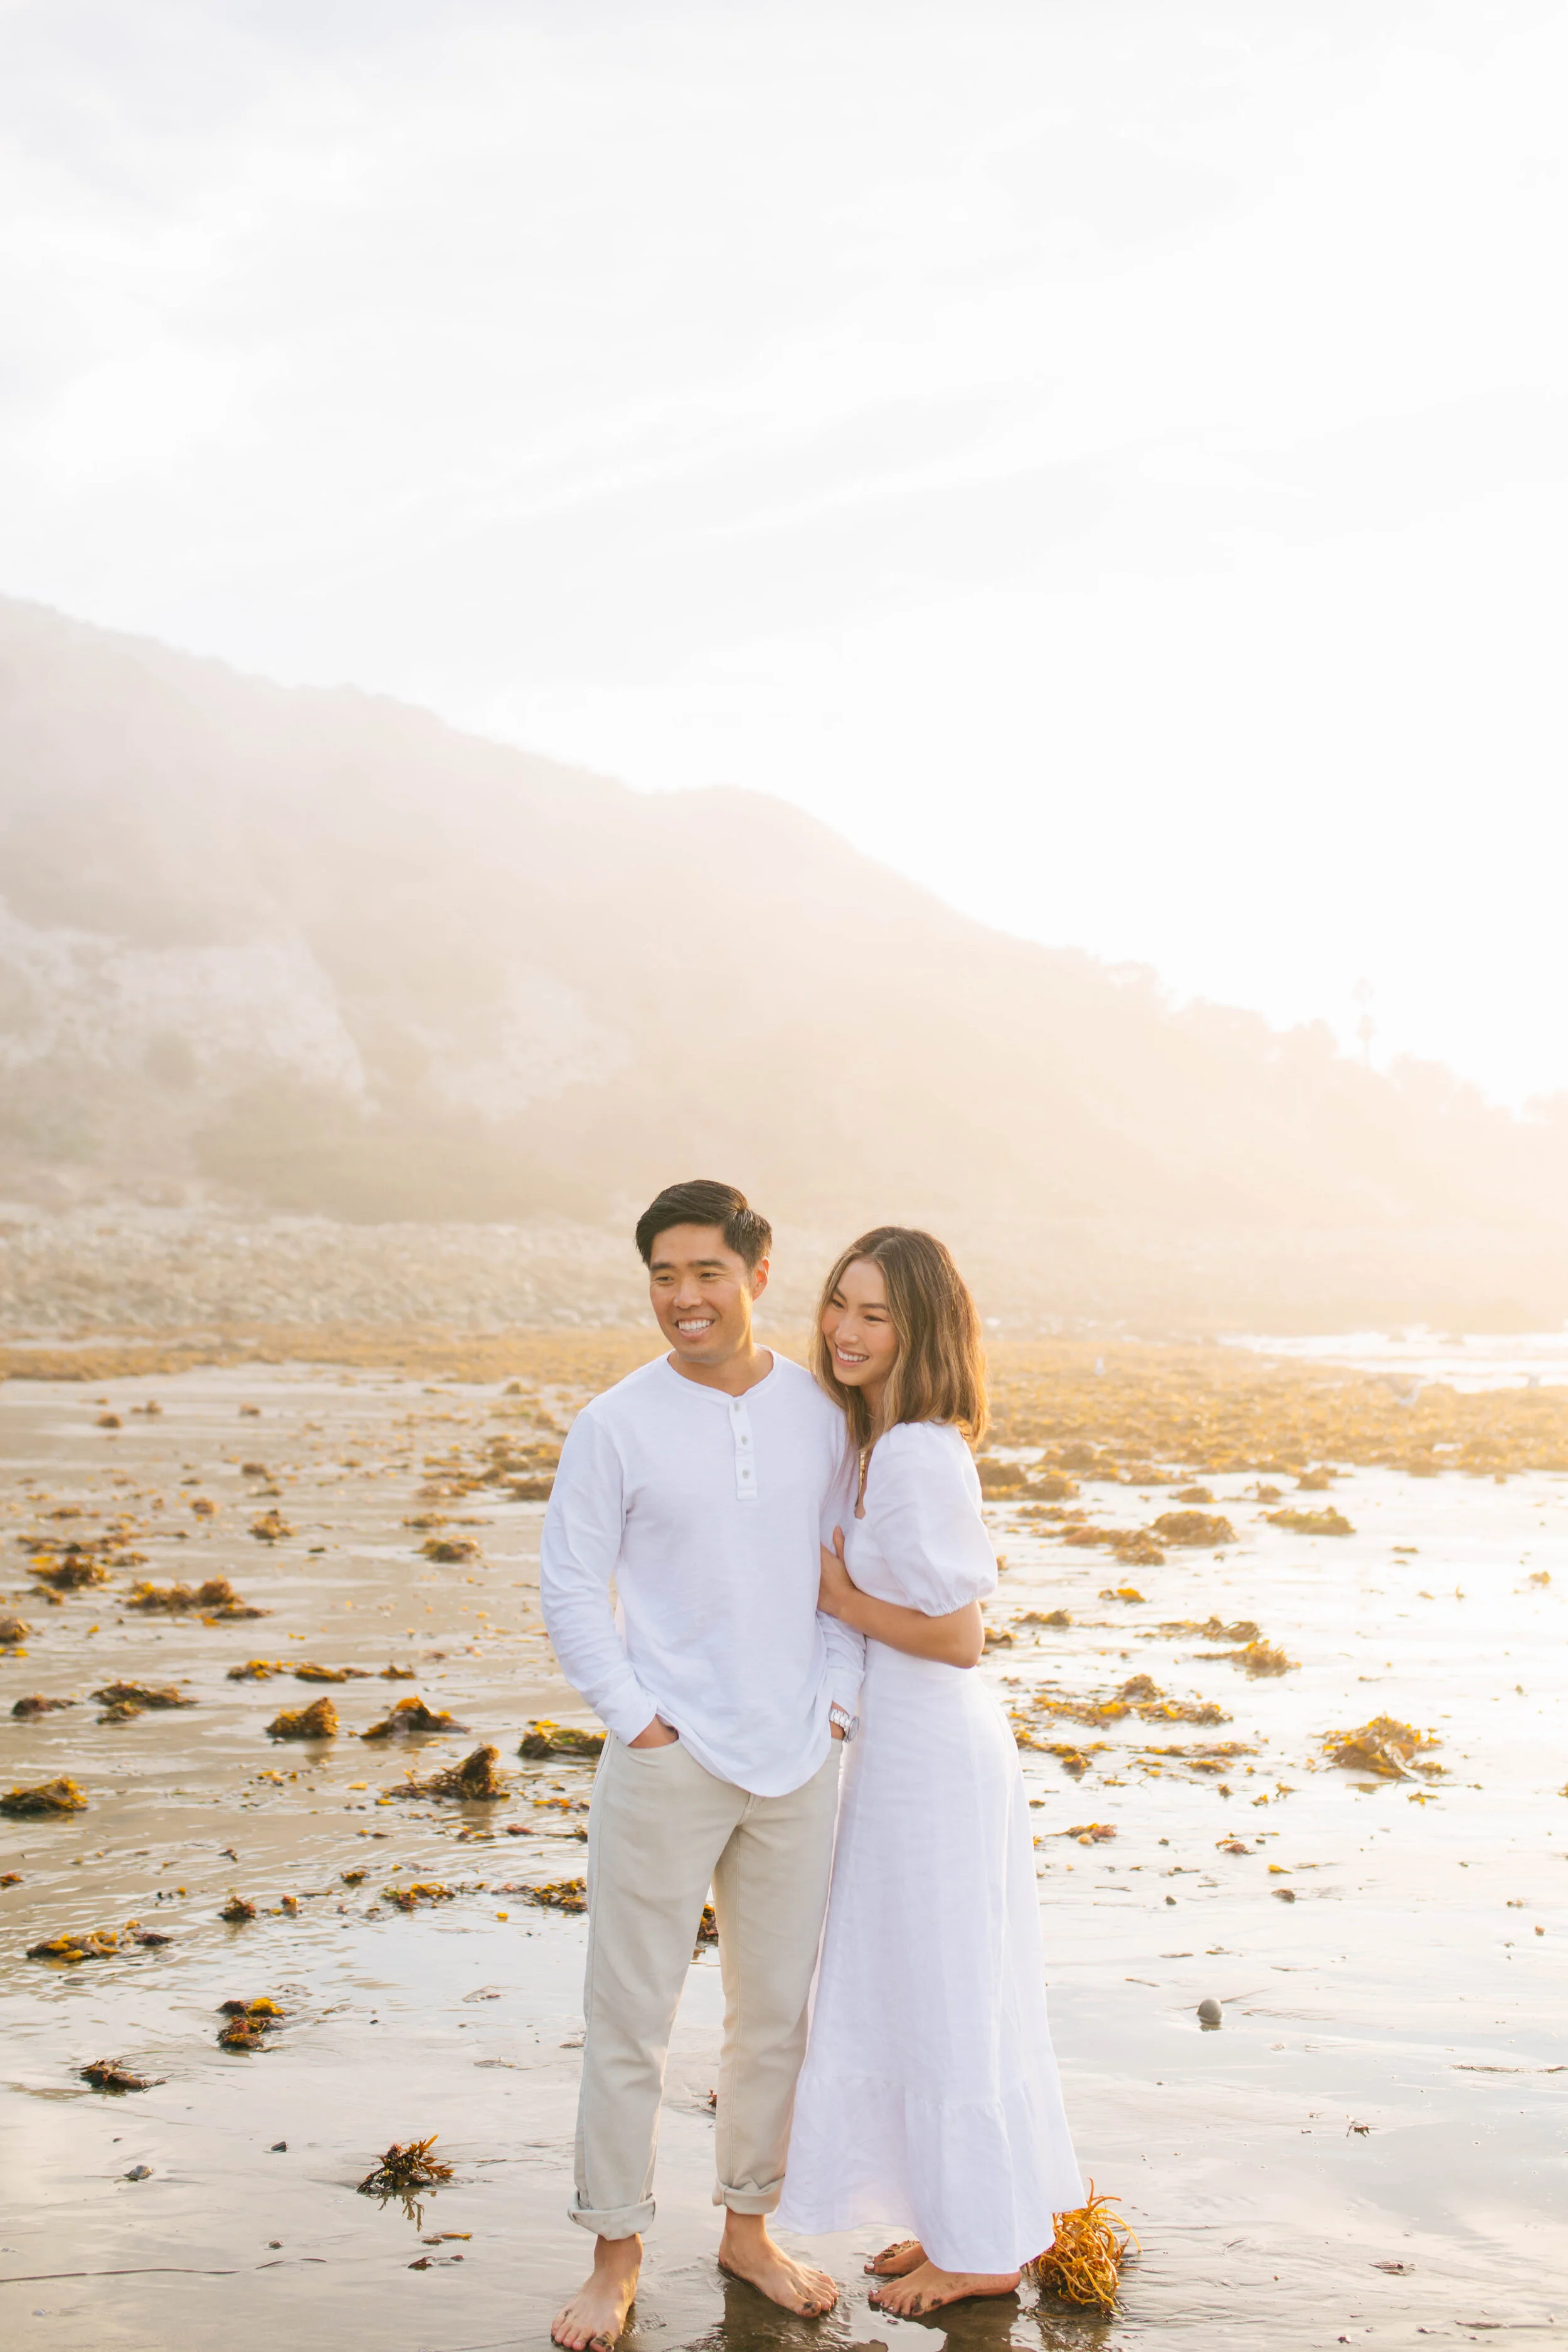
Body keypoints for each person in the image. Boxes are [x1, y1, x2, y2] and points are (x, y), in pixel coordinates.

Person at [541, 1179, 864, 2352]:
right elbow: (569, 1584)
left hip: (797, 1759)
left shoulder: (824, 1413)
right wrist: (638, 1720)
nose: (685, 1297)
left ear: (757, 1276)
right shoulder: (614, 1422)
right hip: (666, 1758)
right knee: (629, 2016)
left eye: (707, 1273)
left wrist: (836, 1704)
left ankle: (748, 2230)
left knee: (772, 2016)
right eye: (664, 1276)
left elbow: (844, 1566)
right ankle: (614, 2252)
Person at [775, 1226, 1085, 2318]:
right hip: (907, 1744)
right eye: (839, 1303)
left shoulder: (916, 1451)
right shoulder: (880, 1441)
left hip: (936, 1750)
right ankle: (959, 2214)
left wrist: (836, 1595)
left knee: (947, 1986)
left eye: (876, 1314)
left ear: (921, 1330)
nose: (846, 1329)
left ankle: (984, 2250)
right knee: (924, 1980)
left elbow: (960, 1635)